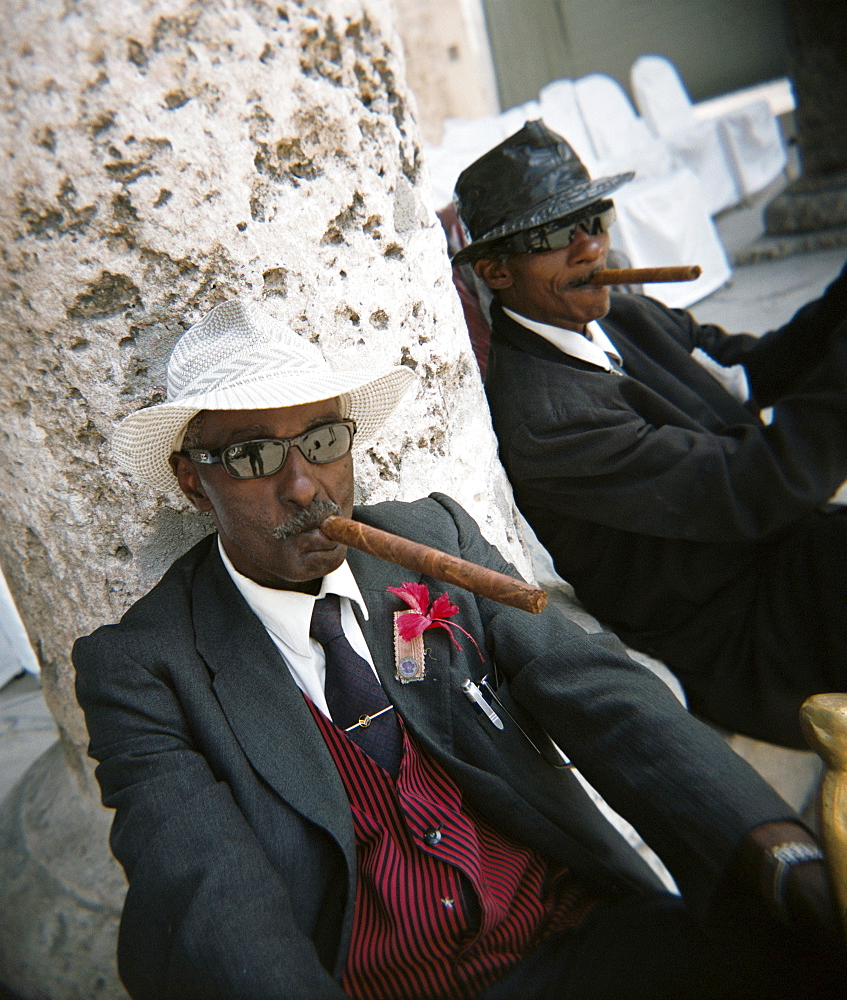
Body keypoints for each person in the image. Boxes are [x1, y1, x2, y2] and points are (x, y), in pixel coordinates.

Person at [73, 298, 842, 1000]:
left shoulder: (430, 539)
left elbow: (606, 696)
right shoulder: (143, 669)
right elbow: (204, 886)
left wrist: (772, 847)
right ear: (189, 480)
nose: (305, 487)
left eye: (322, 439)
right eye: (250, 458)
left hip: (567, 938)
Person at [451, 119, 847, 750]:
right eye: (556, 233)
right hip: (741, 630)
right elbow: (758, 484)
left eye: (595, 218)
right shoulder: (547, 418)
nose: (589, 247)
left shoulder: (620, 313)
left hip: (785, 556)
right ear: (497, 271)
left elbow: (752, 368)